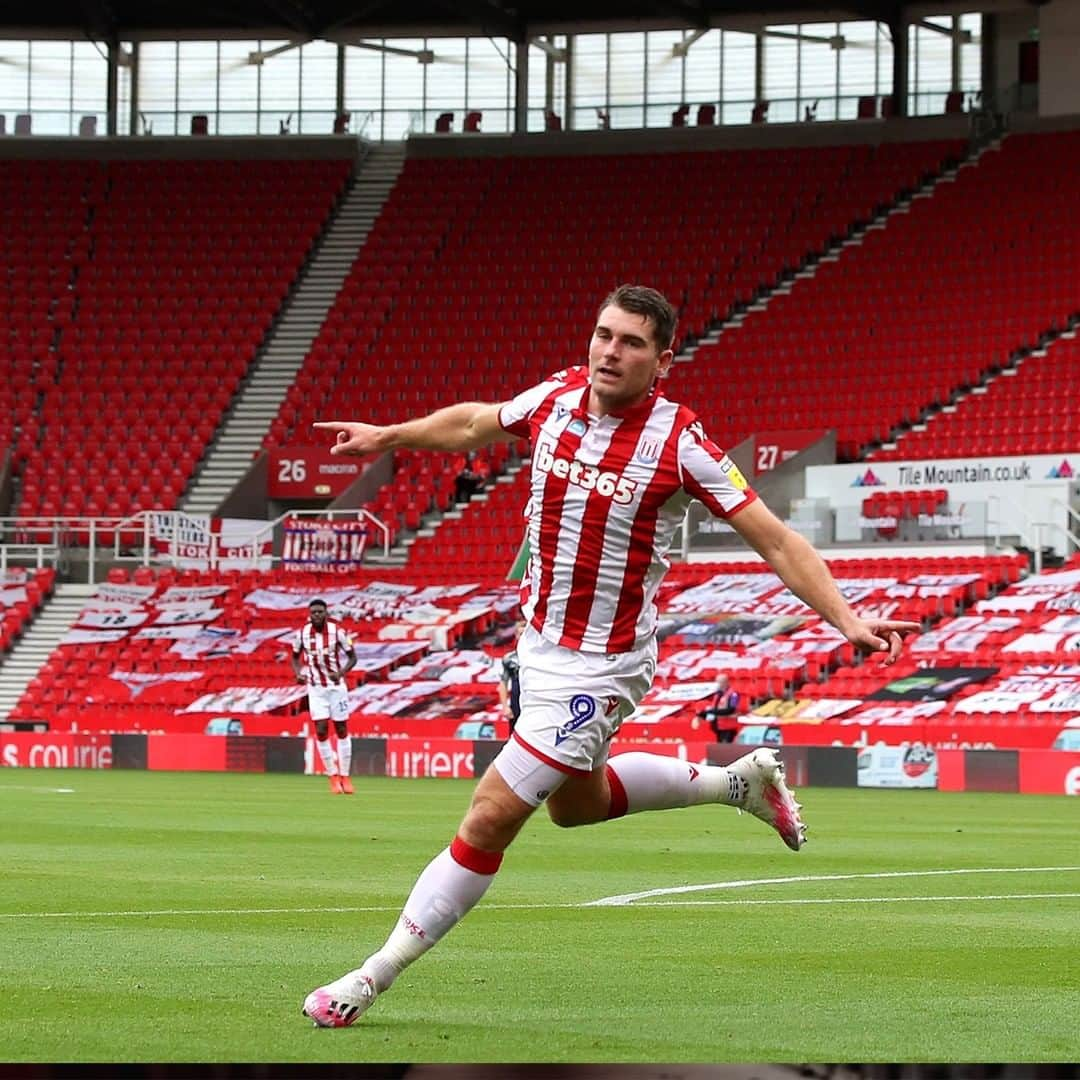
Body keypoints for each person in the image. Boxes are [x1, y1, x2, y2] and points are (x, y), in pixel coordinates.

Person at [302, 283, 920, 1026]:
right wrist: (392, 435)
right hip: (537, 649)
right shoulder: (556, 399)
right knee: (577, 807)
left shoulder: (680, 444)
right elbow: (474, 424)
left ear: (663, 361)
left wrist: (845, 618)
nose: (609, 351)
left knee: (492, 813)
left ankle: (369, 979)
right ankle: (738, 786)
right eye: (602, 335)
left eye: (630, 342)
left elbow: (777, 540)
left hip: (600, 666)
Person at [290, 598, 358, 794]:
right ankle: (333, 776)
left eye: (320, 612)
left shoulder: (337, 632)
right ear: (310, 615)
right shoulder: (302, 633)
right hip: (316, 689)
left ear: (326, 614)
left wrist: (341, 672)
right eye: (314, 613)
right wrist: (298, 674)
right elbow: (294, 656)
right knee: (321, 730)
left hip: (336, 688)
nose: (317, 615)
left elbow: (353, 657)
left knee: (341, 728)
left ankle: (345, 776)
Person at [496, 616, 526, 733]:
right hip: (516, 703)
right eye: (520, 634)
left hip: (534, 701)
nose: (523, 637)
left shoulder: (539, 657)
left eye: (525, 634)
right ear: (516, 636)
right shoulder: (509, 658)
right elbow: (503, 683)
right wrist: (505, 706)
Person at [697, 673, 741, 743]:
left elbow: (731, 710)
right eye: (716, 682)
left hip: (728, 727)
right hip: (718, 726)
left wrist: (711, 711)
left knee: (726, 749)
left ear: (726, 682)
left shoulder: (733, 694)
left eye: (720, 682)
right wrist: (704, 714)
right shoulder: (717, 694)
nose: (717, 684)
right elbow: (714, 709)